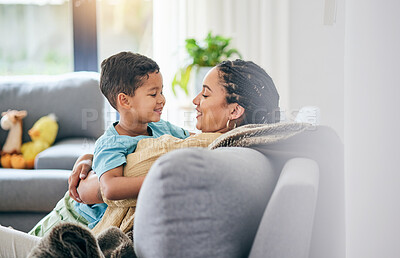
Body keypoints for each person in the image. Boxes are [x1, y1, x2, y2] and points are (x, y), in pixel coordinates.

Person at [0, 59, 280, 257]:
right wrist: (88, 157)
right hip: (69, 221)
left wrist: (92, 168)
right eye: (154, 93)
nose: (195, 100)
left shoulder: (203, 153)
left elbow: (96, 190)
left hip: (75, 233)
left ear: (234, 111)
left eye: (205, 94)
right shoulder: (210, 145)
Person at [28, 51, 190, 236]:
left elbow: (196, 139)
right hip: (72, 219)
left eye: (161, 91)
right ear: (125, 100)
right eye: (153, 94)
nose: (162, 99)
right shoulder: (112, 143)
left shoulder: (162, 127)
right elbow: (110, 188)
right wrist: (163, 180)